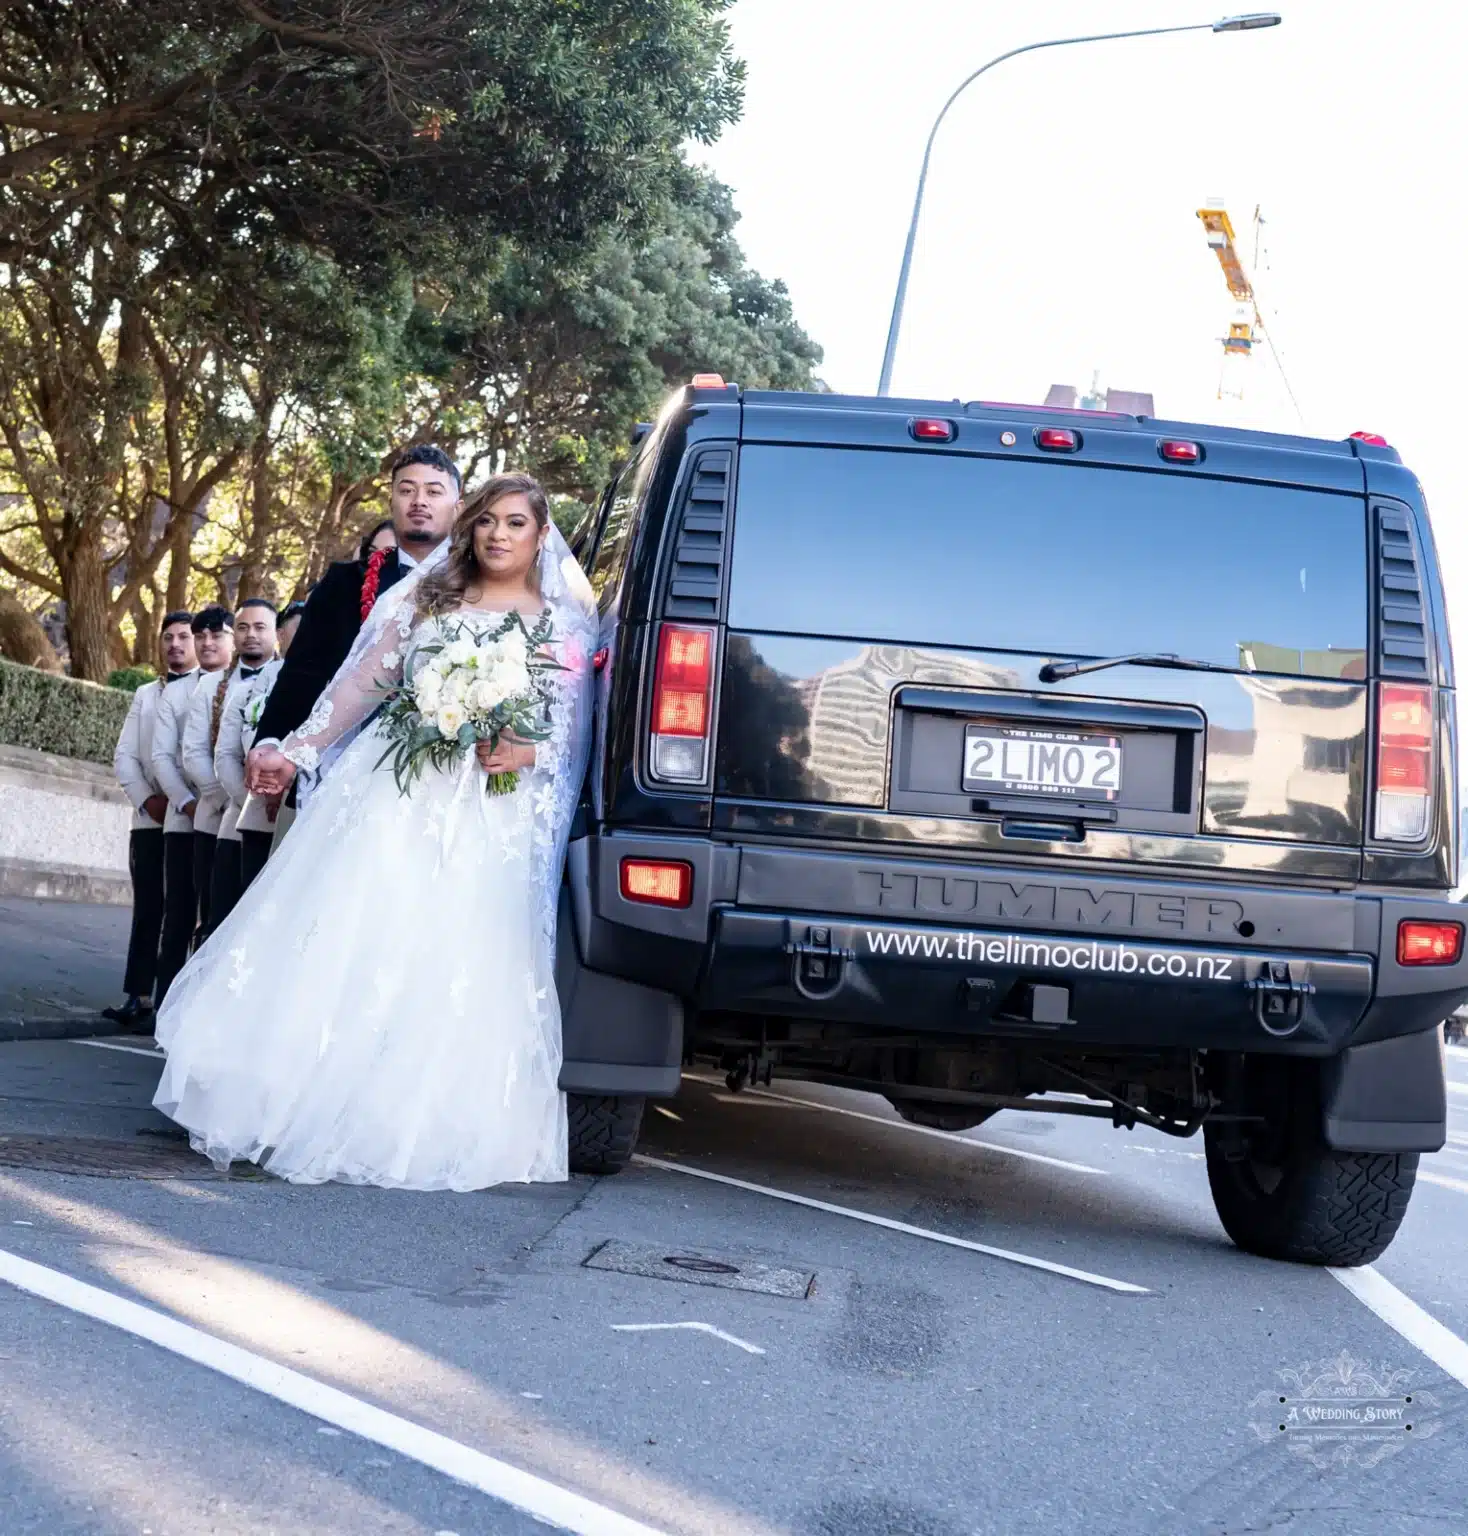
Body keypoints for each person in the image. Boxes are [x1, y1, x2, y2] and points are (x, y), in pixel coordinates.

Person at [154, 474, 596, 1190]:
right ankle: (298, 1097)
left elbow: (572, 728)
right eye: (485, 521)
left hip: (490, 808)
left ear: (541, 536)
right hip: (395, 789)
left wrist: (525, 750)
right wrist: (296, 749)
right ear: (469, 529)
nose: (497, 535)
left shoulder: (563, 625)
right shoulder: (427, 598)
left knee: (453, 953)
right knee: (353, 931)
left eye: (515, 524)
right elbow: (360, 685)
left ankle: (411, 1119)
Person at [248, 445, 460, 787]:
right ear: (391, 501)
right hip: (343, 764)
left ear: (458, 505)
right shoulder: (344, 583)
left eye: (434, 491)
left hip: (445, 766)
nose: (419, 501)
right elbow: (304, 670)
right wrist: (271, 739)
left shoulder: (477, 583)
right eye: (406, 490)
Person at [104, 612, 197, 1031]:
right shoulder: (145, 693)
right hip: (148, 818)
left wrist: (181, 798)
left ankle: (170, 999)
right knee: (147, 908)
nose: (175, 644)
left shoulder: (210, 689)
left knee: (182, 911)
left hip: (192, 817)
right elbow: (124, 754)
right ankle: (137, 993)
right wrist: (146, 799)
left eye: (184, 637)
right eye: (169, 637)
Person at [150, 606, 234, 1004]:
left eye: (215, 635)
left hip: (234, 814)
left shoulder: (250, 682)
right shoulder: (178, 692)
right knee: (180, 913)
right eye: (200, 636)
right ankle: (165, 1003)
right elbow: (164, 757)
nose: (206, 643)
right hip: (189, 817)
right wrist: (187, 803)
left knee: (218, 912)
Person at [188, 599, 278, 936]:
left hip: (278, 818)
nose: (251, 635)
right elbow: (202, 752)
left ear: (276, 633)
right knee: (214, 916)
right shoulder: (216, 687)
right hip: (223, 813)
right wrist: (241, 798)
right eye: (242, 627)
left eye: (260, 627)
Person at [217, 656, 283, 896]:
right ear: (281, 635)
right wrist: (262, 789)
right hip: (252, 807)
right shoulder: (256, 687)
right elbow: (225, 755)